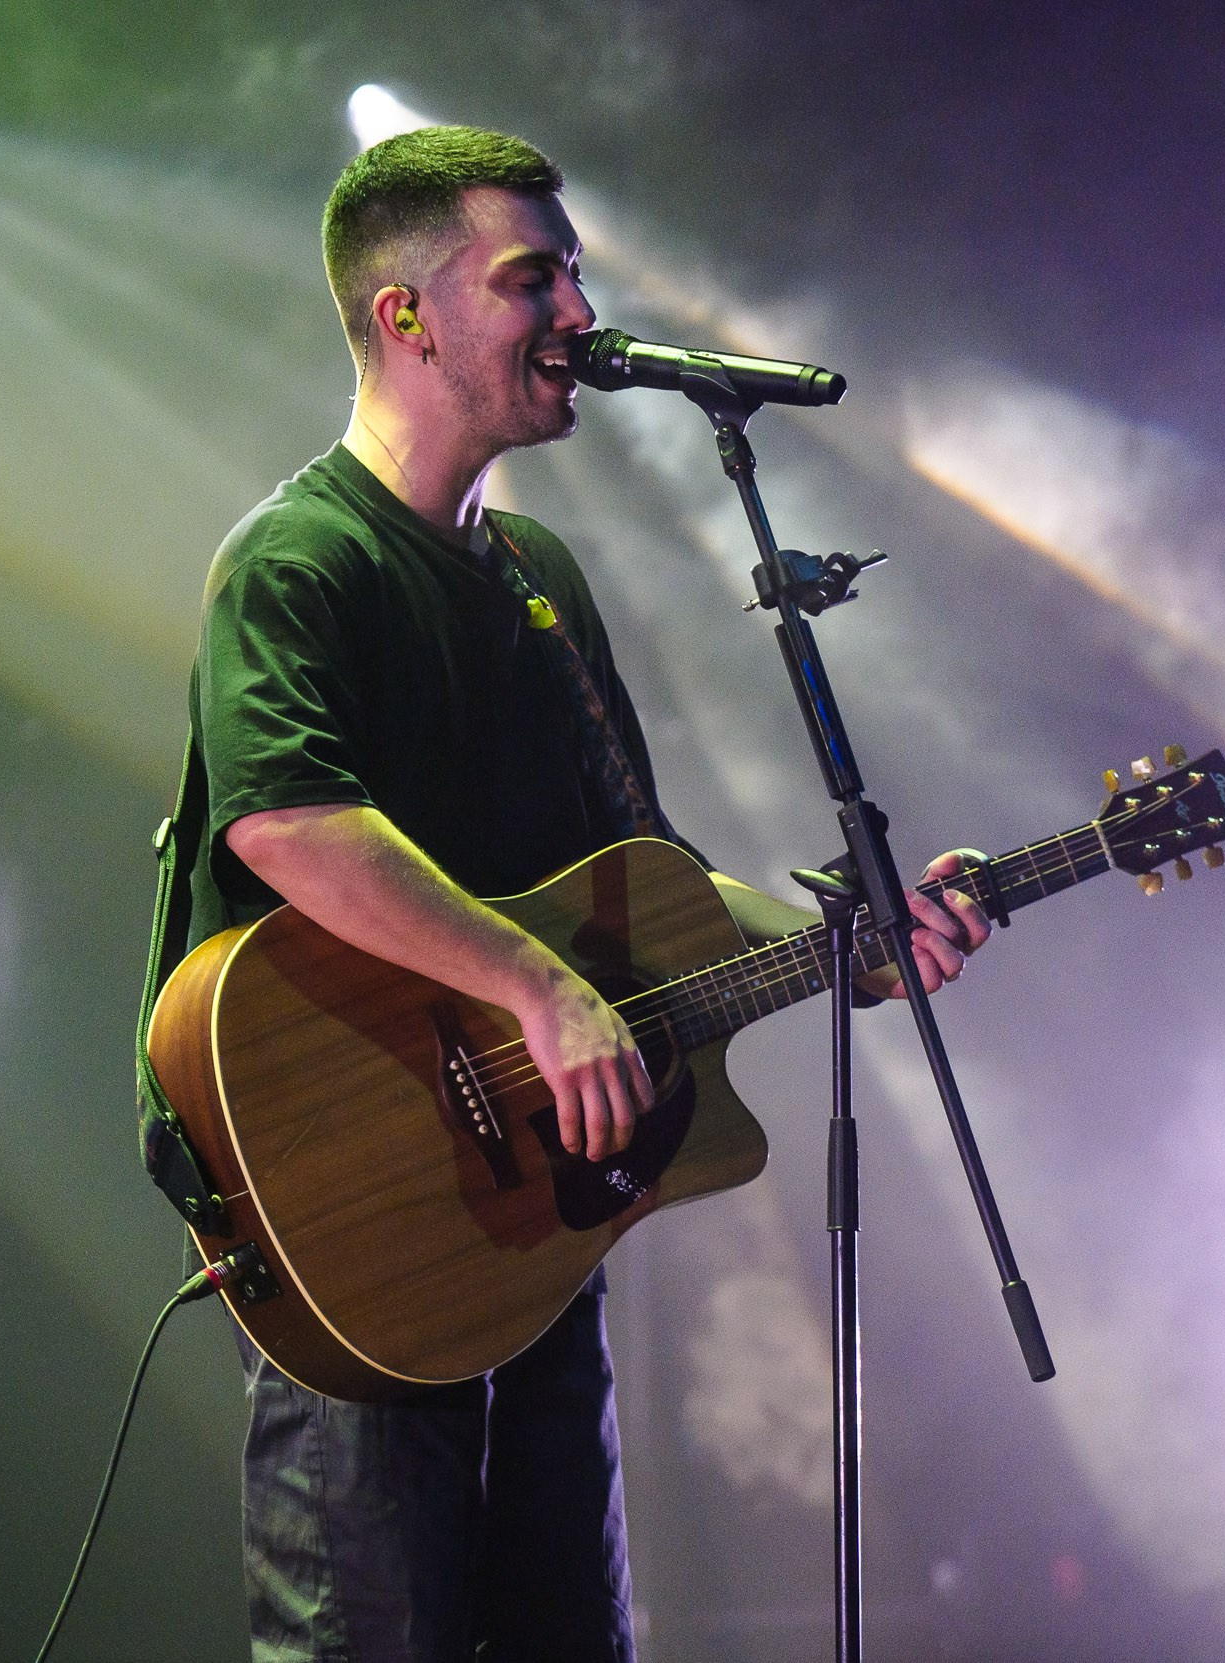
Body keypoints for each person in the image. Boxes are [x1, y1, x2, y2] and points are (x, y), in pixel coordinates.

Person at [171, 125, 989, 1663]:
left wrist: (851, 940)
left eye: (577, 275)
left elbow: (651, 887)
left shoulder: (537, 574)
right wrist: (535, 989)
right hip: (363, 1215)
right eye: (529, 277)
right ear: (405, 314)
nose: (576, 315)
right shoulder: (295, 560)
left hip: (534, 1238)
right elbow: (289, 823)